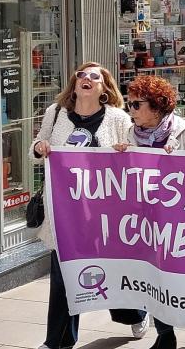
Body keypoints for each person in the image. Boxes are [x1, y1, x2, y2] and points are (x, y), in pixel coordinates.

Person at [32, 62, 148, 349]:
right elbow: (37, 145)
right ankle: (57, 341)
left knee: (111, 273)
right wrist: (39, 148)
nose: (85, 79)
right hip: (65, 213)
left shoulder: (118, 118)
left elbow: (134, 159)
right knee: (62, 275)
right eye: (81, 75)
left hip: (104, 215)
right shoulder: (56, 113)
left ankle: (135, 313)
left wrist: (125, 151)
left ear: (104, 87)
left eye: (93, 76)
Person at [119, 77, 185, 349]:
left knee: (181, 277)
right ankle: (165, 334)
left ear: (157, 106)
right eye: (130, 104)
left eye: (137, 104)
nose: (131, 110)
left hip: (181, 220)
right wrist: (118, 156)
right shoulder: (128, 135)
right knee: (154, 276)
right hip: (145, 219)